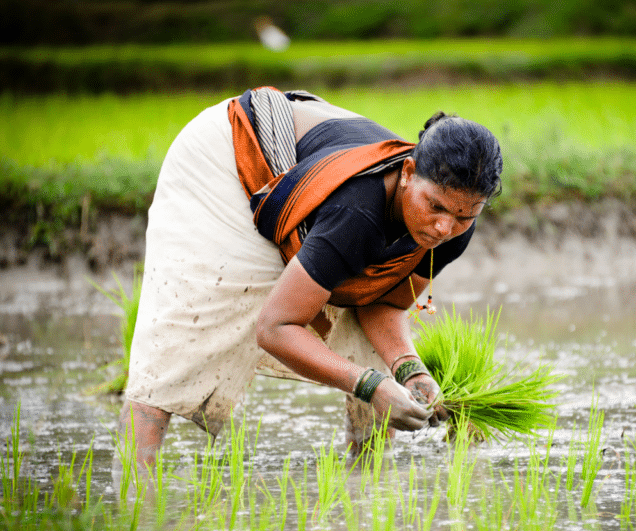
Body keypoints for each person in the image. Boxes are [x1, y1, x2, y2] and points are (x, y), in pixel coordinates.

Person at [117, 86, 503, 467]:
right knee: (194, 317)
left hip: (311, 175)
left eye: (464, 216)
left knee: (370, 350)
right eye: (434, 206)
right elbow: (275, 327)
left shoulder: (452, 227)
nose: (442, 227)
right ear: (407, 172)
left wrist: (410, 371)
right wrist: (369, 386)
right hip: (229, 155)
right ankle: (135, 481)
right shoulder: (357, 213)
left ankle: (366, 481)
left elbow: (384, 301)